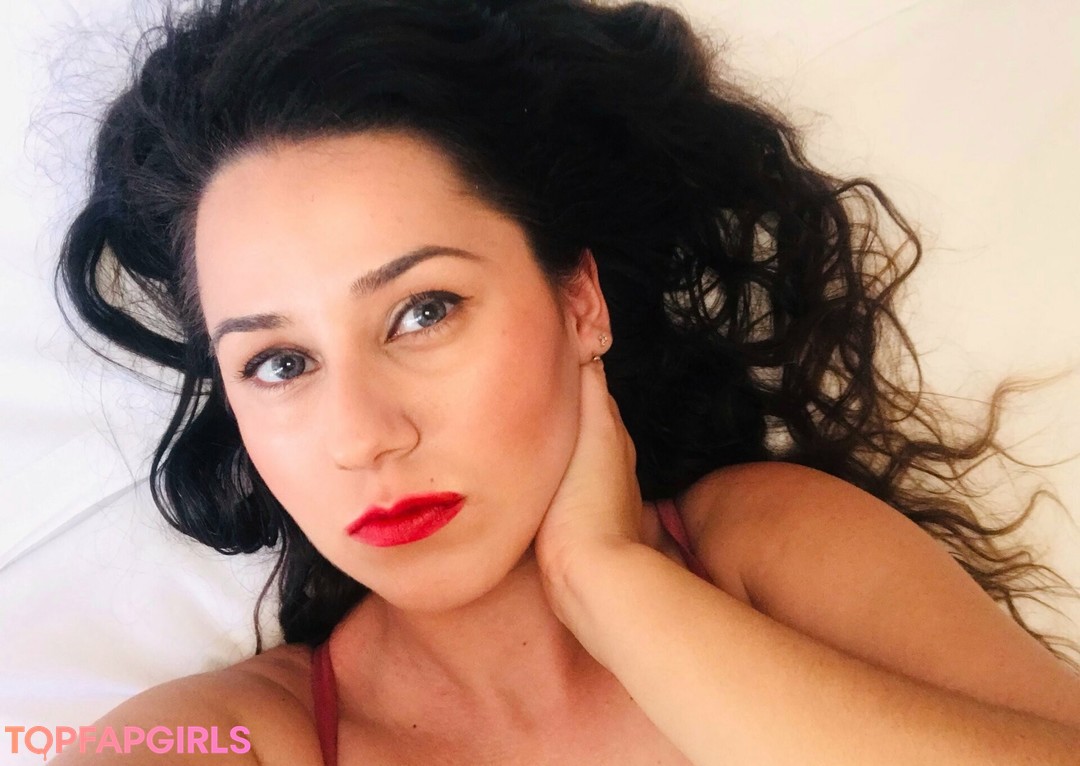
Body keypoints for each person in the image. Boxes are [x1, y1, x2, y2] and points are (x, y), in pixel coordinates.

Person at [51, 0, 1080, 763]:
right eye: (279, 363)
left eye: (423, 310)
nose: (362, 434)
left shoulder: (772, 550)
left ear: (579, 299)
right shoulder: (219, 741)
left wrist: (611, 583)